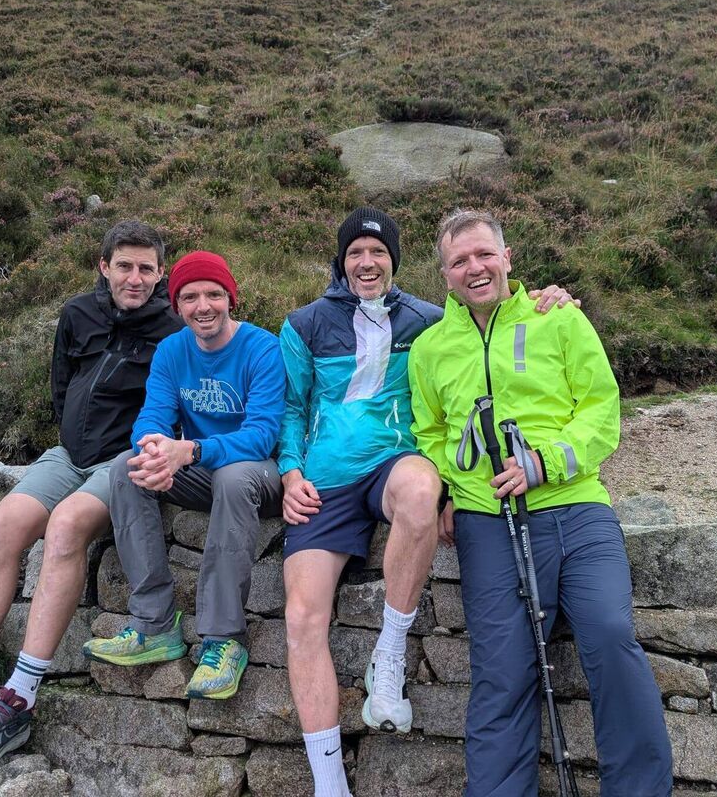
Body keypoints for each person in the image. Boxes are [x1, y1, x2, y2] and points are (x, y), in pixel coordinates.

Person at [280, 207, 577, 797]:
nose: (367, 262)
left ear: (395, 260)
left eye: (378, 252)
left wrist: (552, 299)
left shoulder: (428, 321)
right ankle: (330, 786)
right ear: (341, 261)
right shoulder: (304, 323)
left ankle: (389, 657)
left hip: (394, 463)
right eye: (355, 253)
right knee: (301, 618)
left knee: (420, 490)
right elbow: (292, 406)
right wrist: (290, 472)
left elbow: (487, 332)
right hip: (323, 479)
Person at [0, 220, 184, 770]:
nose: (135, 278)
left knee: (67, 525)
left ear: (160, 273)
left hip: (121, 463)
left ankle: (20, 695)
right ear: (104, 266)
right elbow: (61, 385)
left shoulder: (173, 330)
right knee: (2, 525)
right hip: (68, 454)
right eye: (124, 265)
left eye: (146, 268)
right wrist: (70, 436)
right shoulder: (78, 313)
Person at [409, 208, 673, 797]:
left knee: (610, 634)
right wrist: (450, 490)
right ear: (445, 275)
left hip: (579, 510)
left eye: (484, 254)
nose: (475, 268)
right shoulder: (428, 349)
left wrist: (544, 462)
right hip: (488, 522)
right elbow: (430, 432)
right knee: (502, 669)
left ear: (507, 257)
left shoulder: (560, 319)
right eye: (459, 261)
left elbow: (601, 410)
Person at [82, 250, 284, 701]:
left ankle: (223, 639)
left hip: (259, 475)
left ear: (231, 298)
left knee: (233, 477)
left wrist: (190, 450)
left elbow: (262, 436)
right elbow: (153, 415)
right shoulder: (173, 351)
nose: (203, 306)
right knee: (127, 468)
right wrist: (154, 450)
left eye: (214, 294)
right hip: (203, 469)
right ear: (177, 305)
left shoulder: (262, 348)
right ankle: (154, 625)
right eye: (190, 297)